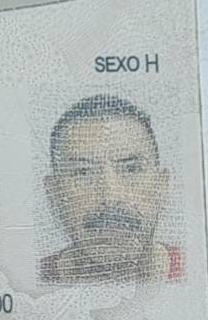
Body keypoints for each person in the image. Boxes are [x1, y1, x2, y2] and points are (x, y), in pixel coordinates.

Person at [41, 94, 183, 284]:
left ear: (162, 186)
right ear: (54, 194)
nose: (110, 196)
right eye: (83, 172)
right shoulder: (28, 283)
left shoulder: (199, 271)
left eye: (131, 169)